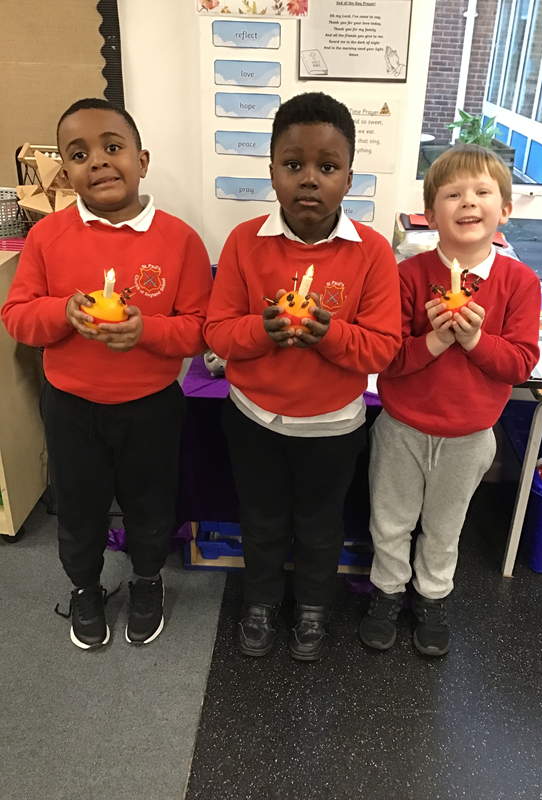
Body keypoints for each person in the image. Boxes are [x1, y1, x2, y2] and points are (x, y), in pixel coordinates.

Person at [1, 98, 212, 649]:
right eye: (78, 155)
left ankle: (147, 580)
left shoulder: (180, 240)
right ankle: (84, 587)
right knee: (78, 508)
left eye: (112, 147)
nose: (97, 161)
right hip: (70, 407)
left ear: (142, 161)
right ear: (65, 173)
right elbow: (17, 316)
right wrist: (62, 313)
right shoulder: (48, 236)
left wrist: (147, 331)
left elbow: (199, 330)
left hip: (151, 407)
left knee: (150, 504)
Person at [205, 92, 402, 661]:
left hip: (332, 426)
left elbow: (383, 349)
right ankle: (261, 602)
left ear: (349, 178)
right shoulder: (244, 242)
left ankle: (314, 607)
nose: (309, 179)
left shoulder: (372, 254)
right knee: (261, 519)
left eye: (327, 166)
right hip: (255, 419)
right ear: (272, 173)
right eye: (293, 165)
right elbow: (217, 333)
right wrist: (262, 330)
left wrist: (329, 334)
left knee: (320, 525)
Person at [359, 143, 541, 656]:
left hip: (469, 435)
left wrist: (475, 340)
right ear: (430, 213)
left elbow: (520, 364)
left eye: (482, 192)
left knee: (444, 526)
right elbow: (387, 358)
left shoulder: (519, 282)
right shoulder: (407, 276)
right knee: (390, 520)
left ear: (504, 210)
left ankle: (432, 596)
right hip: (402, 427)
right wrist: (436, 339)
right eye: (453, 194)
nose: (468, 202)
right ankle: (387, 593)